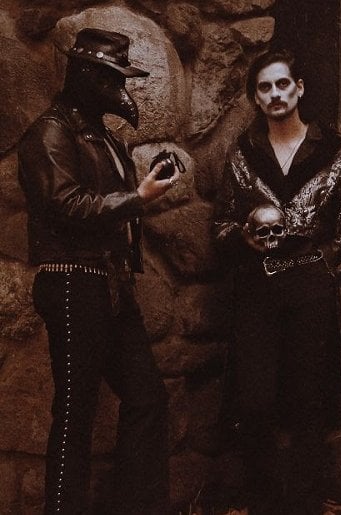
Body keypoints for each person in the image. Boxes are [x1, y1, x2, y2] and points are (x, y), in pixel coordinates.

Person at [17, 28, 176, 515]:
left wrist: (144, 185)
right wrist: (138, 198)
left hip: (110, 283)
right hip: (72, 281)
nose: (119, 90)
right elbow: (65, 204)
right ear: (84, 75)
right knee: (75, 413)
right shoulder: (50, 132)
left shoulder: (102, 135)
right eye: (110, 79)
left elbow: (107, 200)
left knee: (147, 397)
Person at [210, 48, 341, 514]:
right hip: (256, 292)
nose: (275, 94)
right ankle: (265, 504)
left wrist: (318, 266)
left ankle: (304, 506)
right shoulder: (242, 154)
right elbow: (220, 224)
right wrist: (242, 239)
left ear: (299, 88)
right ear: (255, 98)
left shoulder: (333, 152)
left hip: (312, 292)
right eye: (264, 87)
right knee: (254, 404)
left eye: (282, 84)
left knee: (308, 406)